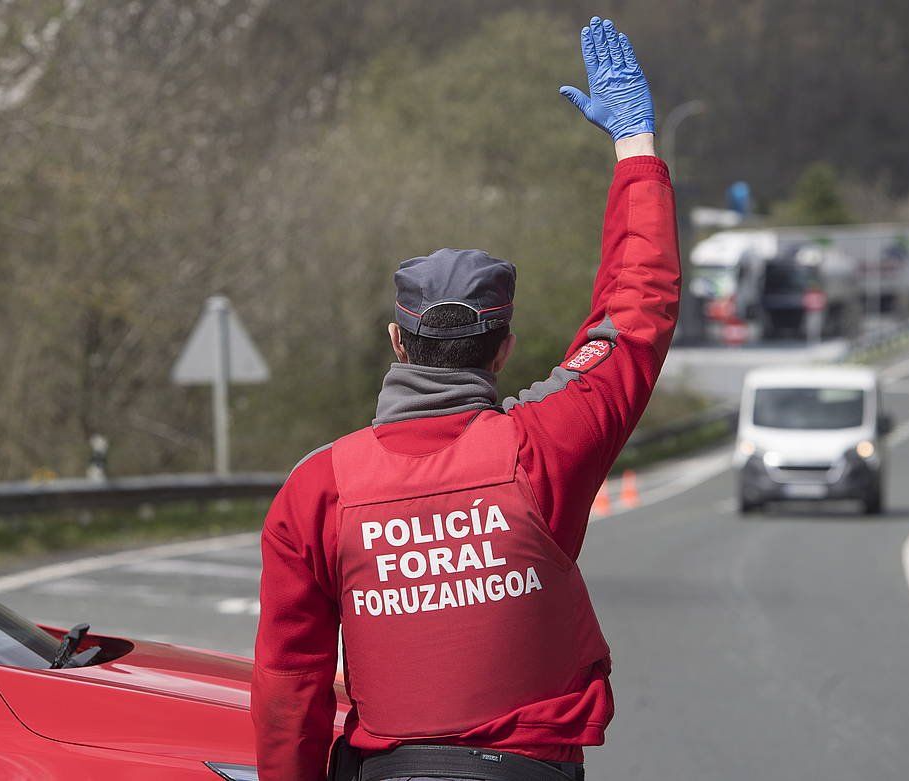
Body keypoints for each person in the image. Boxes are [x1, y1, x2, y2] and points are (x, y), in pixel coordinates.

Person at [252, 16, 680, 781]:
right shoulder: (545, 445)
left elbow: (291, 686)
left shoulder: (316, 488)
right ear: (504, 349)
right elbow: (636, 312)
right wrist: (634, 148)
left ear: (395, 341)